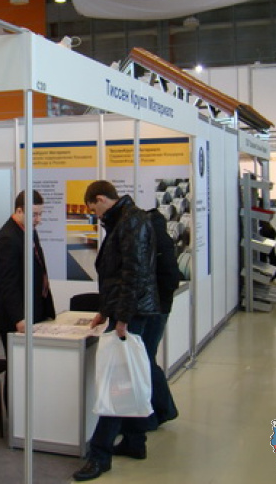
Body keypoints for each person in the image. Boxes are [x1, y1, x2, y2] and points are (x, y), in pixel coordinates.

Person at [73, 181, 159, 482]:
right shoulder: (125, 220)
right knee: (129, 377)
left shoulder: (130, 222)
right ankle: (135, 441)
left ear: (101, 199)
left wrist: (121, 318)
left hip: (131, 313)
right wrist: (105, 310)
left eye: (93, 209)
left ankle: (100, 455)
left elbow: (133, 274)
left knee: (117, 383)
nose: (94, 215)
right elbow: (119, 274)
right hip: (130, 310)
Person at [0, 190, 55, 358]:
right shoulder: (7, 238)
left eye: (40, 214)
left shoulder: (28, 230)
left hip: (34, 308)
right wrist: (19, 318)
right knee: (17, 366)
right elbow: (7, 283)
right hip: (17, 317)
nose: (38, 220)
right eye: (34, 215)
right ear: (19, 211)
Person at [139, 208, 180, 430]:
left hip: (156, 309)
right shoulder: (162, 239)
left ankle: (163, 409)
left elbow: (168, 278)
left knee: (146, 358)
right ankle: (158, 410)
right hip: (159, 307)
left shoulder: (156, 242)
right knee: (147, 357)